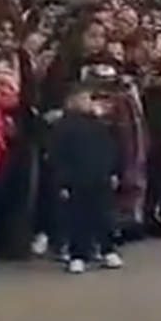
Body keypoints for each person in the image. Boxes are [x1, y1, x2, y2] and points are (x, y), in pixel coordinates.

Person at [49, 83, 123, 274]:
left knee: (104, 215)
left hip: (100, 177)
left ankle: (108, 249)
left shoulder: (98, 124)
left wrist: (114, 171)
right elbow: (58, 156)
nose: (88, 102)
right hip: (76, 179)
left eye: (89, 98)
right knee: (77, 218)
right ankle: (77, 255)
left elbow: (110, 148)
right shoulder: (64, 126)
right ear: (71, 101)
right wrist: (62, 182)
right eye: (83, 98)